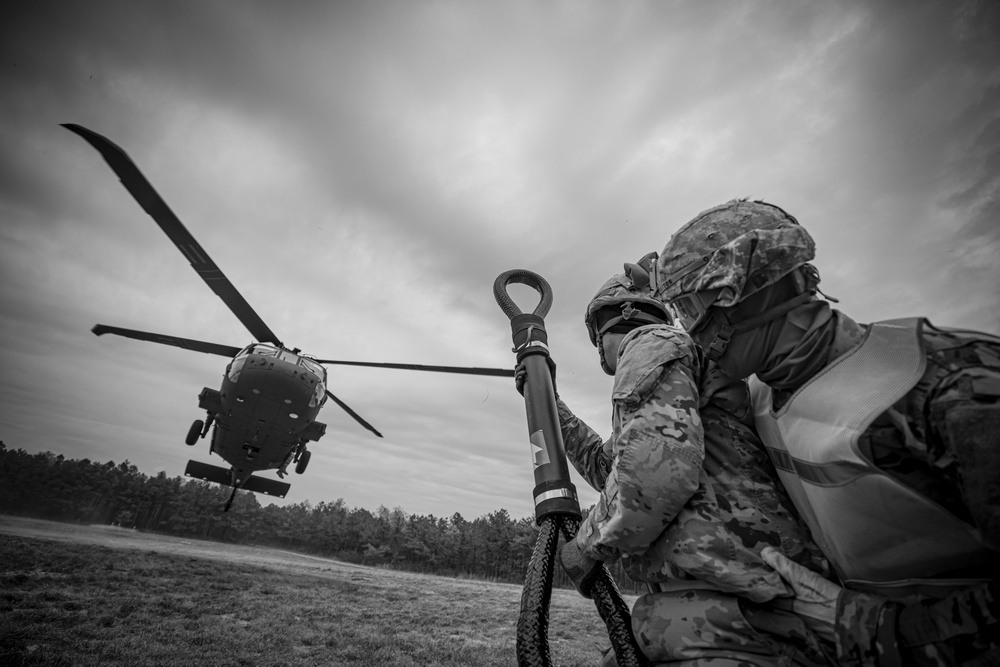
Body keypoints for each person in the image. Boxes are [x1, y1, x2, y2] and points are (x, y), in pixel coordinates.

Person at [653, 198, 1000, 666]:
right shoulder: (753, 394)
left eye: (690, 307)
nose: (688, 332)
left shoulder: (952, 390)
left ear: (744, 289)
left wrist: (864, 625)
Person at [519, 257, 838, 666]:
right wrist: (549, 405)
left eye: (598, 338)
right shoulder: (677, 379)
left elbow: (653, 476)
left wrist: (587, 546)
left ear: (608, 325)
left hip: (741, 615)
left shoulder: (651, 341)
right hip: (717, 611)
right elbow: (608, 469)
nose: (600, 349)